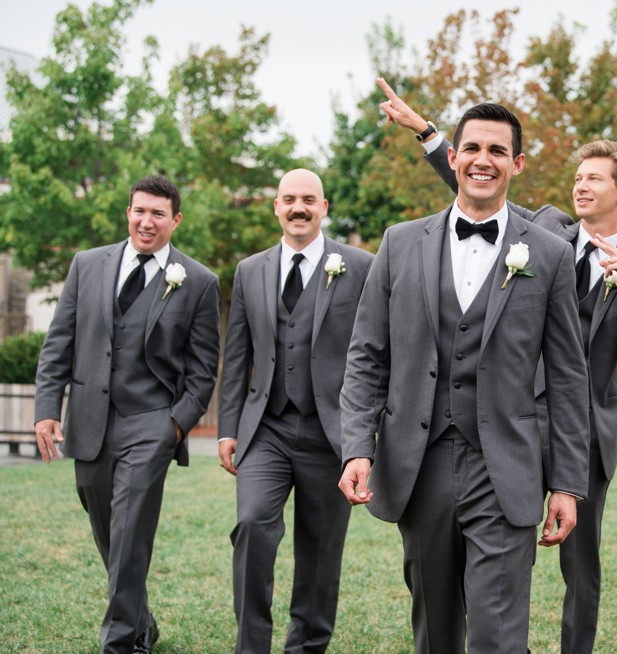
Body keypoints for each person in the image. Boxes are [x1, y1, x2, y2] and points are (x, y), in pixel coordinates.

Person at [375, 78, 617, 653]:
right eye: (578, 178)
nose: (581, 187)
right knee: (455, 584)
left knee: (579, 569)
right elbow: (480, 190)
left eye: (595, 180)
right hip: (503, 421)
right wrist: (430, 134)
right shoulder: (547, 234)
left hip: (578, 435)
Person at [338, 102, 590, 653]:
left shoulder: (547, 254)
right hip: (417, 462)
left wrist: (568, 483)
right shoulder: (400, 243)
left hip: (506, 468)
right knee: (435, 631)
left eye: (498, 150)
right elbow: (367, 355)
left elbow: (569, 378)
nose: (484, 160)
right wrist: (358, 446)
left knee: (499, 637)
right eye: (472, 148)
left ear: (517, 164)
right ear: (452, 157)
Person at [33, 175, 221, 654]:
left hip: (151, 422)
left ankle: (119, 644)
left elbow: (202, 370)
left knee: (131, 529)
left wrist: (175, 424)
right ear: (128, 213)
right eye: (140, 210)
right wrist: (46, 409)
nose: (146, 221)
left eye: (158, 213)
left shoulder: (197, 281)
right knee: (110, 533)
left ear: (175, 220)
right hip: (90, 420)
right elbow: (60, 342)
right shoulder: (87, 265)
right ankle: (141, 622)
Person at [217, 169, 374, 653]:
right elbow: (237, 354)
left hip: (333, 434)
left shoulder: (361, 267)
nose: (298, 208)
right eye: (289, 200)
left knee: (322, 551)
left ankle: (307, 646)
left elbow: (374, 353)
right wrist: (227, 428)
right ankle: (252, 645)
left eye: (309, 199)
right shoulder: (249, 270)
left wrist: (363, 440)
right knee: (252, 526)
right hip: (266, 428)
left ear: (324, 207)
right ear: (277, 208)